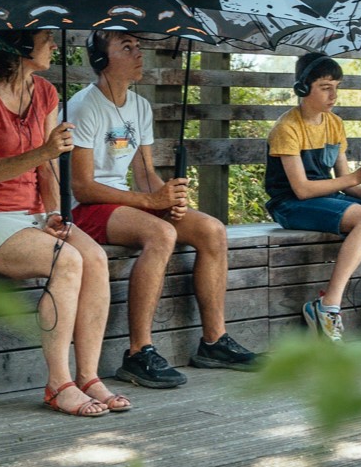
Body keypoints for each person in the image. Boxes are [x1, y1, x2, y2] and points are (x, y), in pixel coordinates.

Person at [69, 30, 260, 389]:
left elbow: (144, 174)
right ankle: (139, 352)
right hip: (86, 209)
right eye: (127, 48)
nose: (139, 54)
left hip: (125, 202)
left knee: (211, 229)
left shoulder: (139, 106)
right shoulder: (84, 106)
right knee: (161, 232)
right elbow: (82, 186)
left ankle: (214, 342)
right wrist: (150, 203)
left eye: (139, 47)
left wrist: (168, 196)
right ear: (101, 59)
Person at [0, 29, 124, 417]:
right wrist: (46, 149)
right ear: (19, 44)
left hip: (32, 215)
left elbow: (47, 169)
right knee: (67, 261)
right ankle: (58, 383)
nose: (53, 45)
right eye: (46, 38)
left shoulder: (45, 92)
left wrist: (54, 214)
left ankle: (89, 376)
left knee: (93, 257)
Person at [265, 52, 361, 345]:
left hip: (327, 198)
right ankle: (328, 305)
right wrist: (356, 178)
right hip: (291, 204)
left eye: (336, 86)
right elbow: (302, 190)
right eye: (326, 86)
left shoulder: (334, 124)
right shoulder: (286, 128)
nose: (334, 94)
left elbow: (346, 181)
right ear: (303, 87)